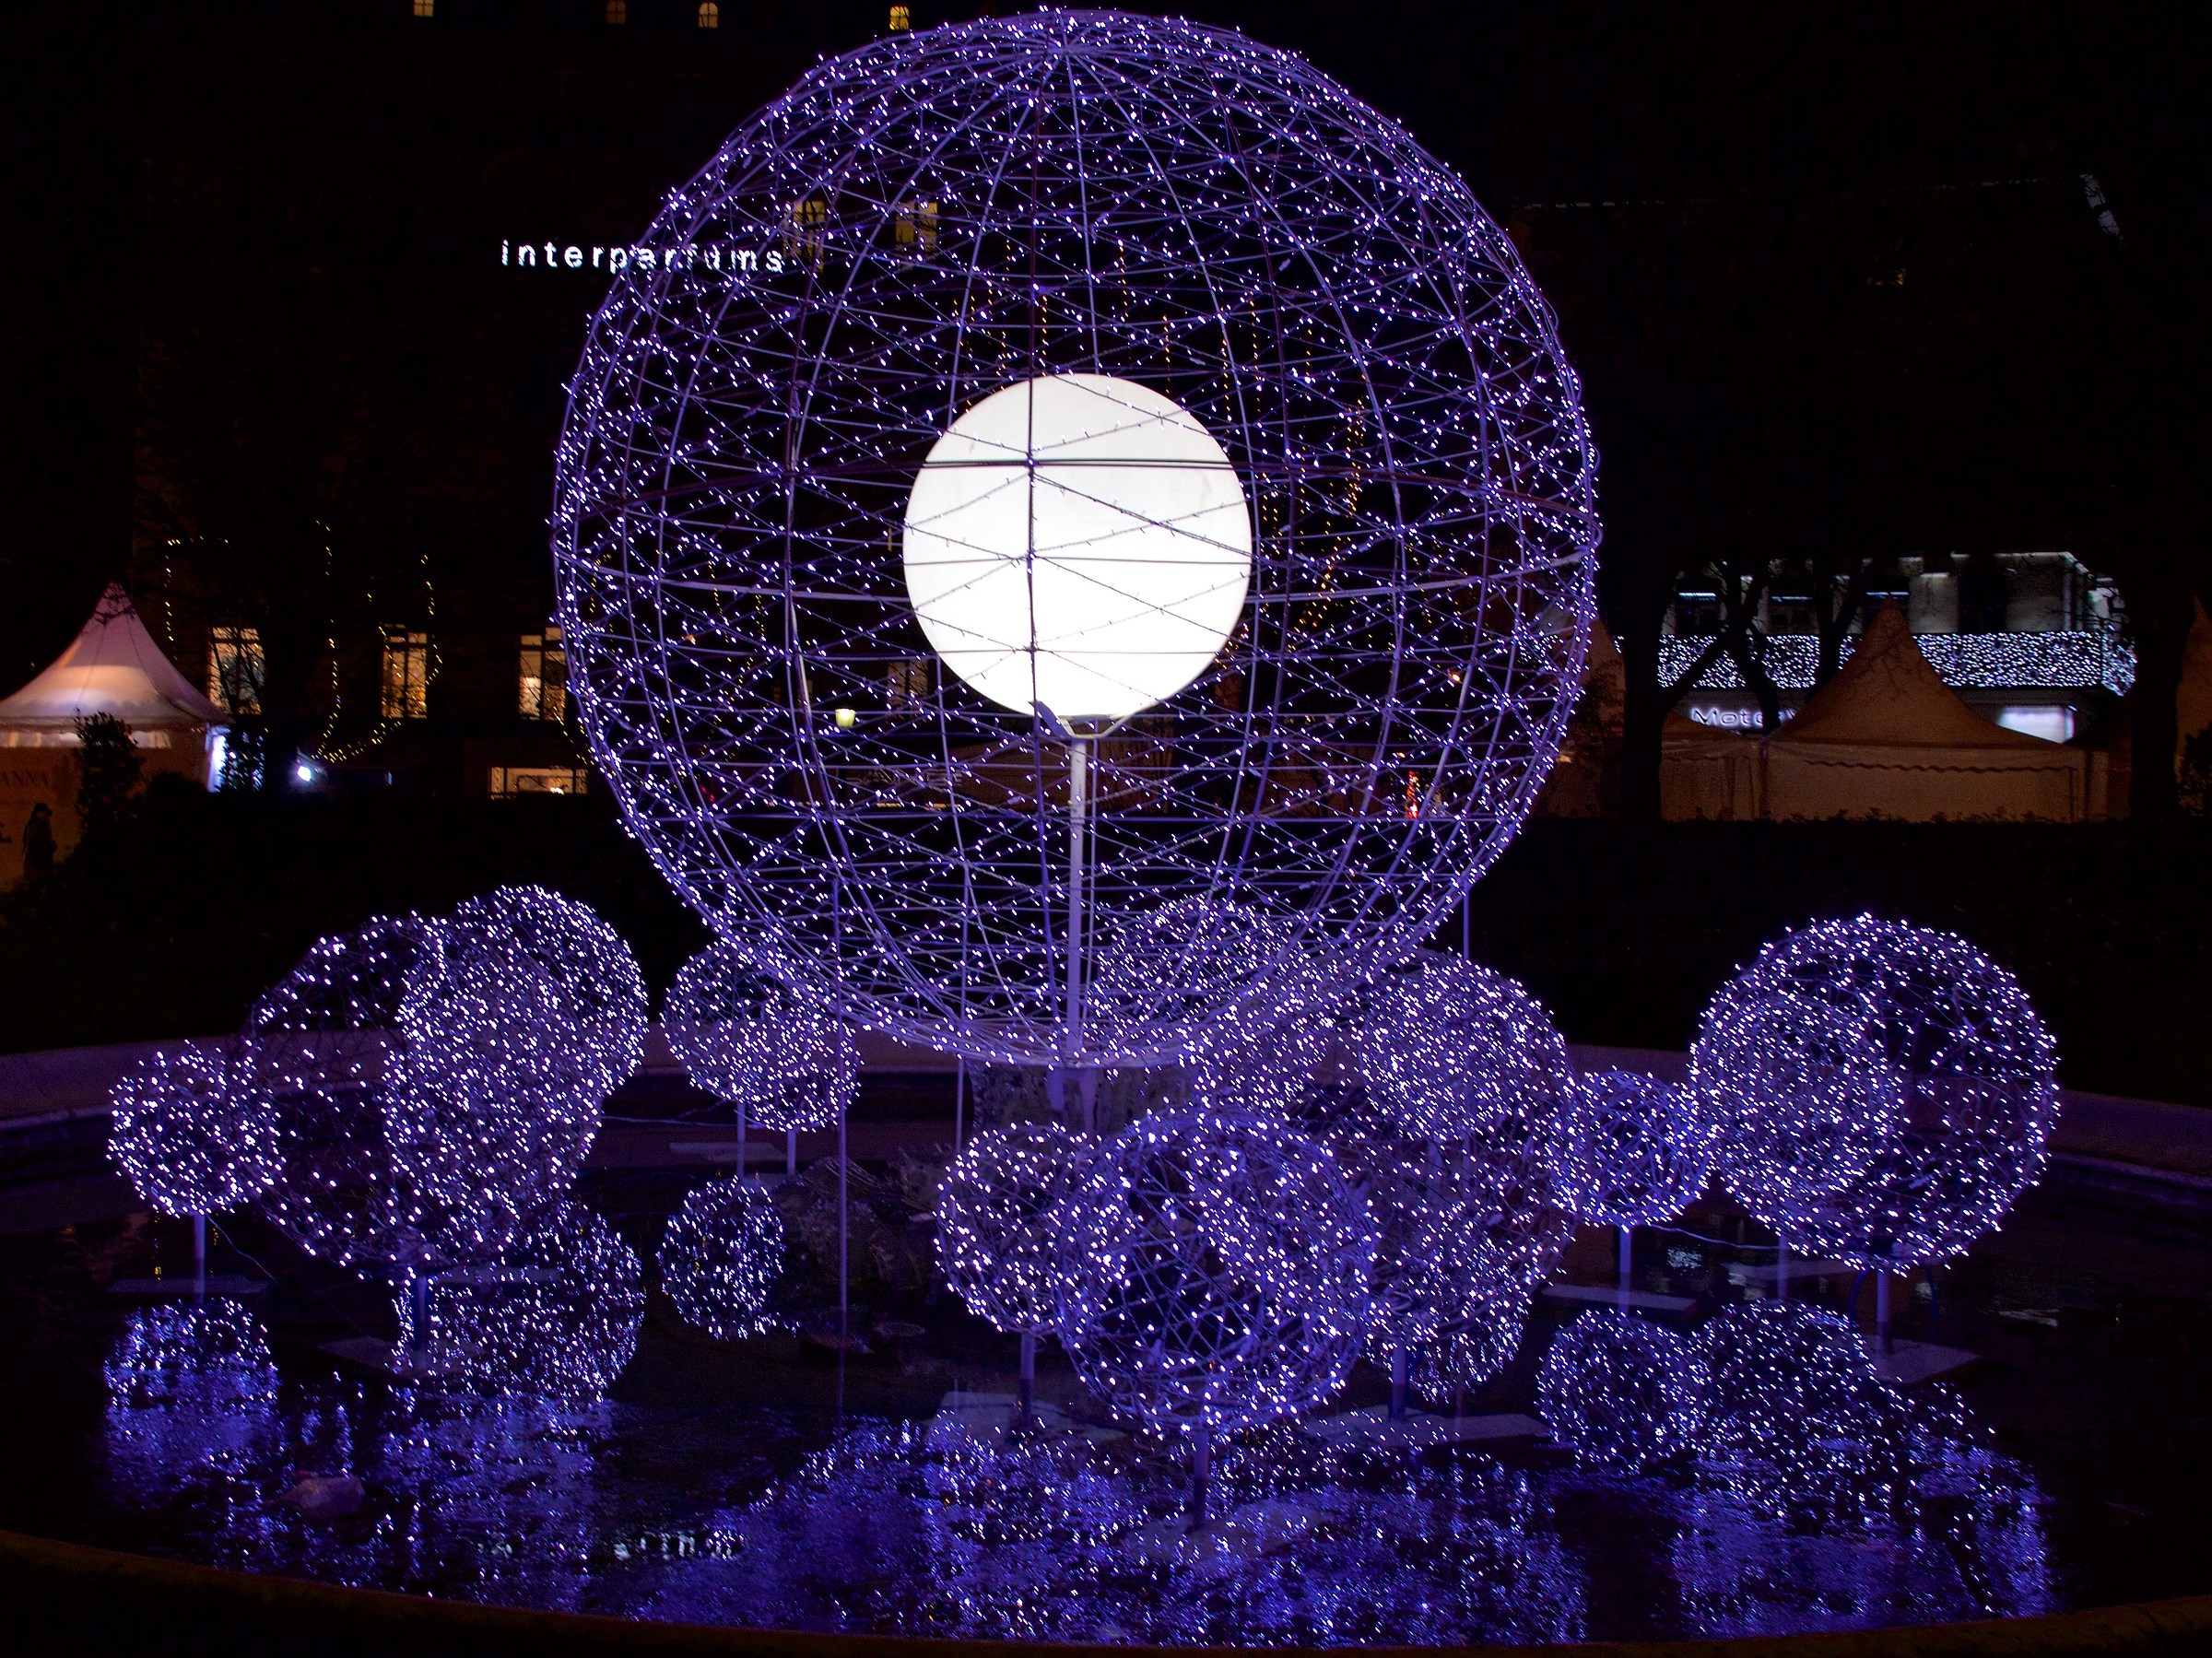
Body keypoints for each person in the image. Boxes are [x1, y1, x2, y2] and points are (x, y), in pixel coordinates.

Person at [21, 803, 54, 882]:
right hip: (34, 860)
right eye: (42, 812)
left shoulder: (45, 826)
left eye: (46, 812)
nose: (44, 814)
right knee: (35, 880)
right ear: (36, 813)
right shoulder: (33, 826)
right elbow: (30, 844)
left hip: (41, 860)